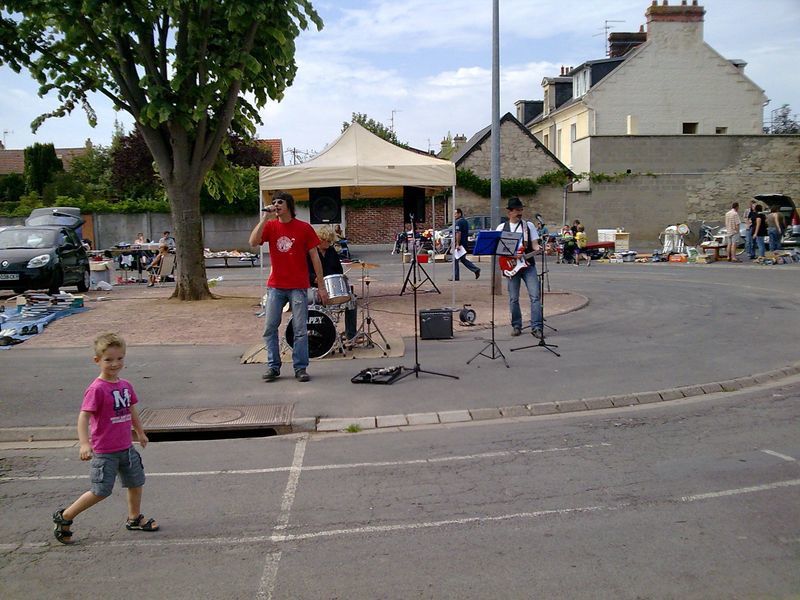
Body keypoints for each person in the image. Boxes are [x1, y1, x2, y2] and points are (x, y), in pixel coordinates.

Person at [51, 333, 158, 545]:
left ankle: (134, 518)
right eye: (108, 359)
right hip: (105, 451)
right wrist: (84, 443)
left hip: (126, 448)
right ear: (97, 360)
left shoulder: (125, 385)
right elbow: (84, 417)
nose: (114, 364)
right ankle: (65, 516)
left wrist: (140, 431)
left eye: (119, 358)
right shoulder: (97, 389)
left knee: (136, 483)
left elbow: (131, 409)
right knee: (100, 491)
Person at [249, 191, 327, 383]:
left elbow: (315, 257)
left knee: (300, 329)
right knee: (270, 327)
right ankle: (273, 366)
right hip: (276, 286)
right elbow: (252, 243)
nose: (276, 205)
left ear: (289, 206)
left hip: (298, 286)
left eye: (280, 202)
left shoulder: (303, 228)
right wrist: (264, 218)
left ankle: (300, 367)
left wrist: (321, 285)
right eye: (274, 202)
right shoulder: (270, 226)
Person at [497, 197, 543, 338]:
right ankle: (516, 325)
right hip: (511, 266)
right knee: (513, 298)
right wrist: (512, 258)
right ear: (510, 212)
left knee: (535, 296)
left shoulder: (528, 226)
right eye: (517, 210)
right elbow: (499, 250)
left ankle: (536, 327)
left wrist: (539, 248)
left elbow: (534, 245)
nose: (520, 213)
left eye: (521, 210)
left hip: (528, 265)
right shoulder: (501, 228)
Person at [309, 226, 358, 344]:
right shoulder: (309, 252)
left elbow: (339, 270)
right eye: (328, 241)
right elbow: (303, 272)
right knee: (314, 300)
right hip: (314, 288)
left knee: (352, 299)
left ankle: (350, 334)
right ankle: (322, 334)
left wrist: (341, 278)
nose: (330, 244)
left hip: (332, 287)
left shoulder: (331, 251)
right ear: (321, 239)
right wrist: (316, 279)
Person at [451, 208, 481, 281]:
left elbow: (458, 233)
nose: (454, 215)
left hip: (460, 244)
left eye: (455, 214)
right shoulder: (465, 221)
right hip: (464, 243)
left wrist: (457, 244)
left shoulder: (458, 222)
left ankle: (456, 276)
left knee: (455, 259)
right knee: (463, 259)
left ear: (459, 214)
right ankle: (476, 269)